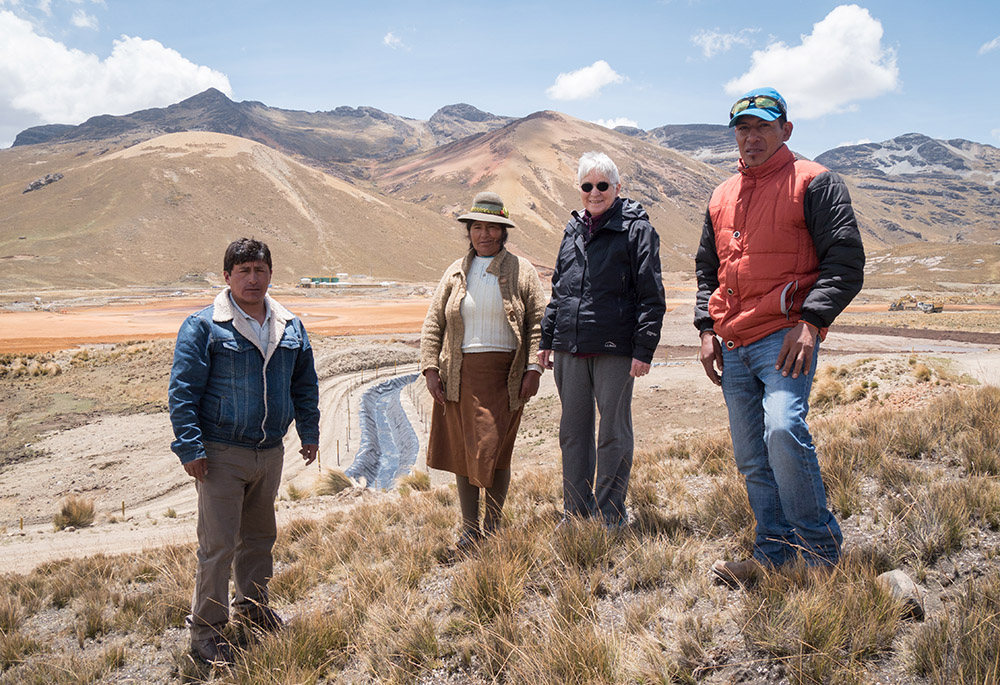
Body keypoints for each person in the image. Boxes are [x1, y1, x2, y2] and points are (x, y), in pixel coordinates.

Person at [694, 87, 865, 585]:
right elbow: (709, 270)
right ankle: (773, 552)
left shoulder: (814, 182)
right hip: (734, 343)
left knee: (784, 431)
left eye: (762, 127)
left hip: (785, 338)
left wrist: (811, 323)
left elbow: (845, 263)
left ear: (785, 130)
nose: (751, 137)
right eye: (743, 129)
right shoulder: (721, 195)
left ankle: (821, 555)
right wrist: (706, 329)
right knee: (751, 455)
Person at [169, 238, 320, 665]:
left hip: (270, 452)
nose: (253, 279)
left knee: (258, 538)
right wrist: (190, 447)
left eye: (260, 270)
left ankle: (252, 610)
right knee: (217, 546)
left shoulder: (289, 325)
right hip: (220, 453)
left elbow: (304, 385)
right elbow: (182, 392)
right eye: (244, 271)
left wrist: (309, 431)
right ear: (227, 277)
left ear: (271, 274)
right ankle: (207, 631)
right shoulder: (204, 326)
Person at [538, 152, 665, 527]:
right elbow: (559, 289)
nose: (595, 193)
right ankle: (575, 512)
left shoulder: (636, 229)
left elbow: (650, 294)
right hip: (569, 347)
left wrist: (644, 349)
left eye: (602, 186)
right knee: (572, 434)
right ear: (580, 190)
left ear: (617, 188)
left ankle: (610, 513)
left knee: (613, 432)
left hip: (614, 348)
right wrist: (548, 337)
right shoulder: (573, 229)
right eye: (587, 186)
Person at [420, 192, 546, 550]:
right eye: (477, 227)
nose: (485, 235)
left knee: (493, 450)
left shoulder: (522, 270)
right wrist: (431, 368)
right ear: (469, 231)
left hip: (505, 377)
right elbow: (433, 324)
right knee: (463, 452)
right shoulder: (455, 271)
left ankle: (492, 526)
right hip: (459, 374)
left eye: (493, 228)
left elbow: (538, 321)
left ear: (504, 232)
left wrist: (534, 367)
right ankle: (470, 529)